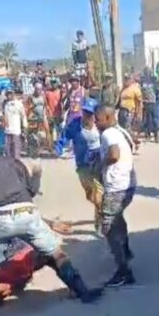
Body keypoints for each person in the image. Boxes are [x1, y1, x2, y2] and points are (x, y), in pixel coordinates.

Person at [0, 146, 102, 316]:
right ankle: (82, 292)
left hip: (0, 218)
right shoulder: (12, 162)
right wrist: (37, 174)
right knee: (57, 255)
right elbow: (31, 191)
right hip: (27, 214)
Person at [95, 105, 138, 287]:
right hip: (128, 184)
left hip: (117, 187)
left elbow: (114, 154)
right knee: (117, 218)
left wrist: (100, 164)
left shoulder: (108, 134)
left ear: (107, 117)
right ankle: (126, 251)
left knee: (109, 228)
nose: (96, 124)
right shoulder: (119, 130)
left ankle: (123, 272)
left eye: (98, 120)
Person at [68, 98, 103, 230]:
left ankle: (100, 221)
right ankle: (100, 209)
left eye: (90, 113)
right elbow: (66, 134)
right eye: (85, 112)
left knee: (98, 195)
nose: (87, 115)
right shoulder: (77, 124)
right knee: (90, 196)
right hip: (82, 164)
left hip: (97, 163)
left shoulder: (100, 125)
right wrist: (59, 145)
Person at [1, 90, 27, 160]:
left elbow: (23, 116)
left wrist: (24, 126)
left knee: (16, 147)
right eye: (7, 94)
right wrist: (2, 120)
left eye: (10, 94)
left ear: (13, 94)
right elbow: (1, 114)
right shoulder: (5, 104)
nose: (8, 96)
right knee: (8, 148)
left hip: (16, 129)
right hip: (7, 130)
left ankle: (16, 162)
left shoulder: (18, 104)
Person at [140, 69, 159, 143]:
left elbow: (157, 91)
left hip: (153, 103)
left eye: (148, 72)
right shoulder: (142, 81)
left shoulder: (154, 80)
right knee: (146, 120)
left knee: (155, 120)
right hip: (145, 103)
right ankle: (147, 136)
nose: (147, 73)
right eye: (146, 72)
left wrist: (156, 98)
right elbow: (141, 91)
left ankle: (156, 136)